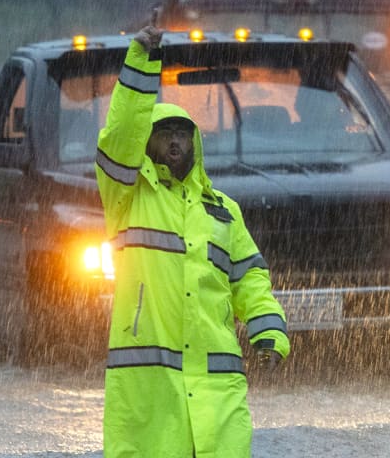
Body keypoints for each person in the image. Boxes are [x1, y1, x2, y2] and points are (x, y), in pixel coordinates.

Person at [95, 26, 290, 457]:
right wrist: (141, 62)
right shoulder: (128, 198)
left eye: (183, 133)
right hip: (150, 391)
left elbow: (250, 279)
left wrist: (269, 332)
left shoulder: (223, 210)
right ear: (146, 144)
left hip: (218, 390)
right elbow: (119, 136)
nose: (175, 141)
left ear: (196, 143)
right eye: (164, 133)